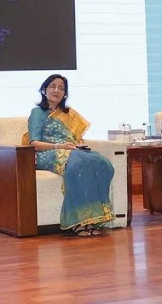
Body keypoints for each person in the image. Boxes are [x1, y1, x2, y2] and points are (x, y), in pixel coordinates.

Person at [27, 74, 115, 236]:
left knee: (101, 162)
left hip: (72, 151)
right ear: (44, 90)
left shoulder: (70, 114)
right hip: (47, 152)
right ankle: (77, 221)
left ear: (65, 93)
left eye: (61, 88)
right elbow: (34, 144)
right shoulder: (38, 112)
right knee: (77, 163)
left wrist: (78, 144)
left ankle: (92, 220)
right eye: (52, 86)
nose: (56, 90)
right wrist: (60, 146)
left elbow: (75, 138)